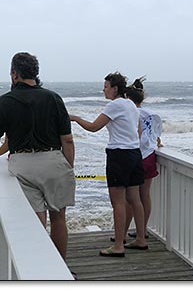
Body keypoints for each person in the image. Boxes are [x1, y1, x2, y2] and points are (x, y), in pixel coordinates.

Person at [0, 52, 76, 262]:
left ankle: (39, 266)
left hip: (22, 163)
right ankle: (61, 268)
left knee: (36, 220)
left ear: (15, 74)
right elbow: (67, 140)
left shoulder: (5, 101)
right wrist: (67, 166)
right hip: (54, 160)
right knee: (59, 218)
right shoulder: (53, 98)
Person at [70, 72, 148, 257]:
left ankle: (118, 245)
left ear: (114, 89)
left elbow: (93, 127)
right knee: (135, 199)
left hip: (119, 155)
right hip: (134, 153)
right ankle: (141, 239)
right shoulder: (130, 104)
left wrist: (74, 118)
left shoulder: (114, 105)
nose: (103, 90)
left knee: (118, 202)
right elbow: (138, 130)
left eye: (105, 86)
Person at [124, 77, 163, 240]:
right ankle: (143, 230)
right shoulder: (152, 114)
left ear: (127, 98)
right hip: (149, 156)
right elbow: (157, 134)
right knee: (144, 195)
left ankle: (123, 232)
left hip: (134, 156)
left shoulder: (129, 113)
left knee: (129, 197)